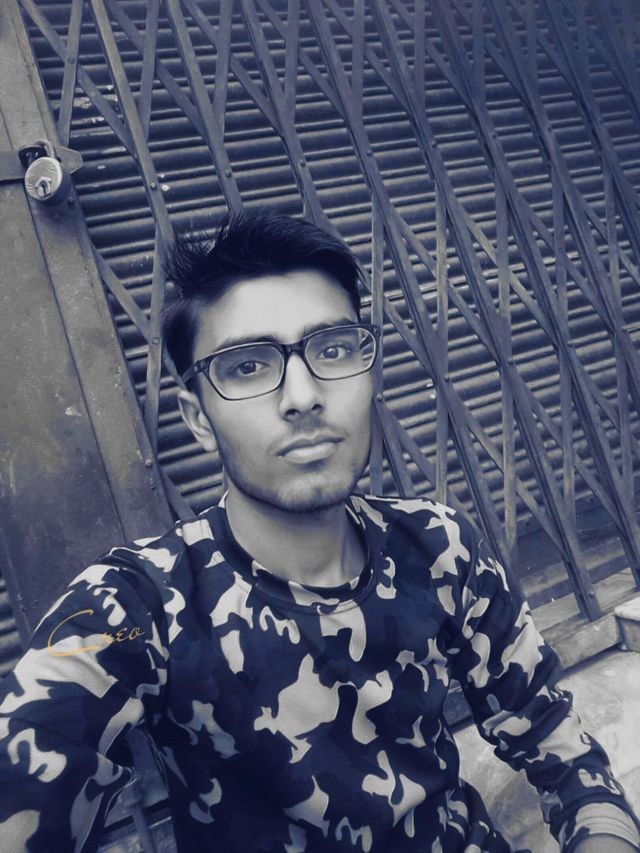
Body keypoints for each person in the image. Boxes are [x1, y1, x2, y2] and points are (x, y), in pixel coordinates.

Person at [0, 209, 638, 853]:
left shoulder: (439, 546)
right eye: (246, 366)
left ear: (369, 376)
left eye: (332, 351)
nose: (302, 395)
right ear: (197, 420)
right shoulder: (139, 605)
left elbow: (558, 742)